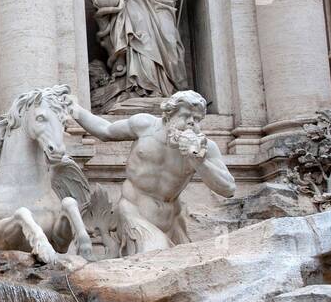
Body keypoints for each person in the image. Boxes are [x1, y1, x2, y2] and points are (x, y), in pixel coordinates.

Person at [68, 90, 235, 255]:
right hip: (133, 213)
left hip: (172, 221)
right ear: (168, 115)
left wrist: (200, 162)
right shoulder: (145, 126)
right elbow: (105, 130)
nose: (192, 123)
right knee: (156, 256)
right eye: (185, 116)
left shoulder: (205, 148)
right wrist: (71, 107)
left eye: (197, 119)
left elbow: (228, 188)